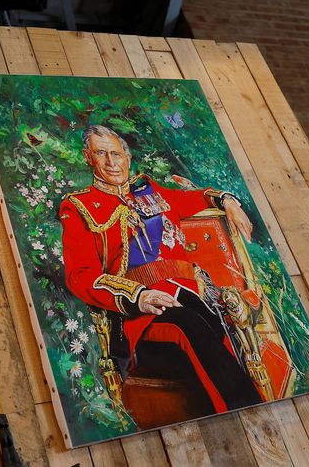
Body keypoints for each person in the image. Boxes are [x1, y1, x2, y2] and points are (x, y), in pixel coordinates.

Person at [59, 125, 262, 413]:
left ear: (127, 159)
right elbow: (80, 276)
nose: (111, 162)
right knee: (188, 323)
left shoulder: (148, 189)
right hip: (139, 317)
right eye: (101, 153)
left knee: (218, 322)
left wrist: (226, 200)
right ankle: (247, 408)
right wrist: (138, 296)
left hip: (191, 296)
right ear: (87, 157)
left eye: (116, 154)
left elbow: (191, 199)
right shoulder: (78, 207)